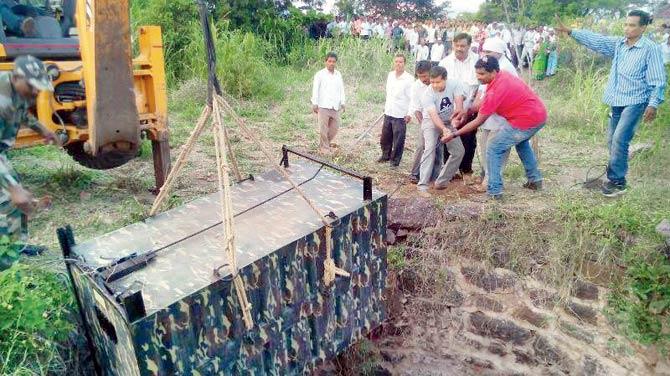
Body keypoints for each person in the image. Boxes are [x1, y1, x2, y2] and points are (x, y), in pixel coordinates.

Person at [556, 10, 666, 197]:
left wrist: (653, 104)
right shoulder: (619, 44)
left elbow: (658, 80)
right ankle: (616, 174)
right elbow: (597, 41)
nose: (627, 28)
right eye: (626, 24)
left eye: (632, 25)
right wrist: (571, 32)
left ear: (643, 27)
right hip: (617, 99)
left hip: (636, 101)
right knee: (611, 140)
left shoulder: (650, 49)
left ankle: (618, 181)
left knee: (619, 139)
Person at [445, 56, 546, 200]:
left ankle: (494, 191)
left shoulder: (496, 91)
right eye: (477, 73)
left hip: (527, 120)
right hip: (537, 114)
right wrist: (466, 111)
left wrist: (455, 133)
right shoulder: (502, 76)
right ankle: (535, 180)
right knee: (522, 143)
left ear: (493, 72)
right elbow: (483, 103)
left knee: (494, 147)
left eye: (482, 74)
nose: (478, 77)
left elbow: (478, 121)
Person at [0, 55, 61, 256]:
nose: (36, 91)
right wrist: (13, 187)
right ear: (17, 77)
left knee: (17, 200)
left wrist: (43, 129)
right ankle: (7, 260)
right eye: (32, 85)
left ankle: (14, 248)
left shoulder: (16, 90)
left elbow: (23, 114)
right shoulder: (2, 101)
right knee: (10, 200)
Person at [417, 66, 465, 196]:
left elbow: (459, 105)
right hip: (431, 122)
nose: (434, 85)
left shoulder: (455, 84)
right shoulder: (427, 94)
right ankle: (422, 185)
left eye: (437, 82)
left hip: (449, 120)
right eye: (432, 82)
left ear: (445, 79)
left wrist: (456, 120)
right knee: (430, 149)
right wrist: (444, 130)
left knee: (459, 151)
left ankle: (441, 181)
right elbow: (433, 116)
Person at [439, 33, 479, 179]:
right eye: (457, 45)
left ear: (469, 46)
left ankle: (465, 169)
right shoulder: (445, 62)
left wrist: (467, 108)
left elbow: (477, 87)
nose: (459, 49)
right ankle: (449, 170)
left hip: (470, 107)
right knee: (448, 138)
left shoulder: (477, 61)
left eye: (463, 46)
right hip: (450, 108)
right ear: (452, 44)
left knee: (468, 138)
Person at [379, 54, 413, 168]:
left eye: (401, 62)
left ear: (404, 64)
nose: (398, 64)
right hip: (389, 111)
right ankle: (385, 155)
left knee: (398, 139)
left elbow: (412, 98)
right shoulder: (390, 75)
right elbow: (388, 93)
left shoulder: (409, 79)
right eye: (396, 62)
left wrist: (409, 113)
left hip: (400, 113)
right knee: (385, 136)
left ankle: (395, 161)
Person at [311, 52, 346, 155]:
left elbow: (341, 89)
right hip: (323, 105)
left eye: (333, 62)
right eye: (329, 61)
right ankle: (324, 148)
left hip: (335, 106)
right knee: (323, 128)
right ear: (325, 62)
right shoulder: (320, 74)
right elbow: (315, 89)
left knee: (334, 128)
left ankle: (324, 144)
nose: (331, 63)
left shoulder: (338, 74)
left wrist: (343, 102)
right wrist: (314, 103)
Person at [408, 61, 433, 183]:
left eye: (425, 76)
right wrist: (424, 125)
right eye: (419, 76)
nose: (422, 79)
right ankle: (415, 173)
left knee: (437, 148)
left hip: (440, 118)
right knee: (421, 146)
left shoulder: (437, 81)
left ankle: (434, 173)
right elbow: (416, 108)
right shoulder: (416, 86)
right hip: (425, 119)